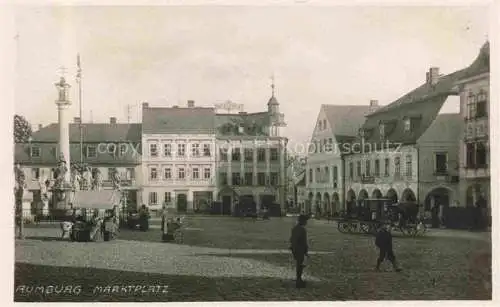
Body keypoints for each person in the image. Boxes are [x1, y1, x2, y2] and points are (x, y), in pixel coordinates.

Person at [289, 214, 309, 288]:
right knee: (300, 265)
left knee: (299, 265)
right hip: (300, 249)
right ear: (302, 221)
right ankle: (298, 280)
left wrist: (292, 248)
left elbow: (291, 239)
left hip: (296, 249)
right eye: (306, 221)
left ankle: (299, 279)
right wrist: (305, 250)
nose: (306, 222)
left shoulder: (295, 228)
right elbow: (303, 241)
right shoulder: (302, 229)